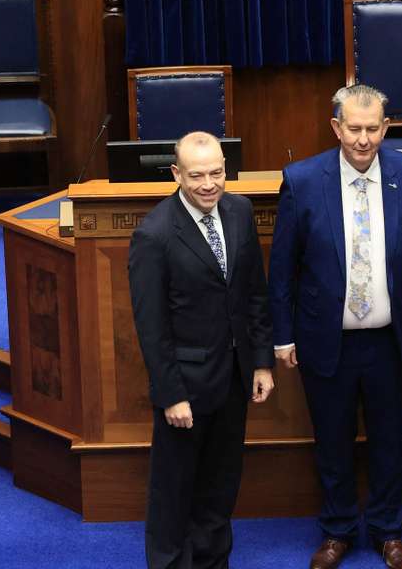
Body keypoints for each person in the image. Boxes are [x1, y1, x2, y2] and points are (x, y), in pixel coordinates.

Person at [268, 85, 402, 569]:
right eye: (353, 128)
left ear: (386, 128)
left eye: (373, 129)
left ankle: (388, 531)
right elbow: (283, 270)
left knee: (391, 440)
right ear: (336, 127)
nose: (362, 139)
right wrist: (283, 334)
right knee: (331, 441)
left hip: (393, 339)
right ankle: (336, 532)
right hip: (323, 339)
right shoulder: (302, 180)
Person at [128, 131, 275, 569]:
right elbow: (150, 326)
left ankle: (213, 563)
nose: (209, 184)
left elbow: (254, 294)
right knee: (173, 493)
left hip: (233, 377)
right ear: (176, 174)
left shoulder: (240, 211)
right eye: (197, 176)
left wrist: (262, 362)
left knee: (220, 484)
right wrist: (171, 393)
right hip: (185, 387)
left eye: (216, 173)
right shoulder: (154, 234)